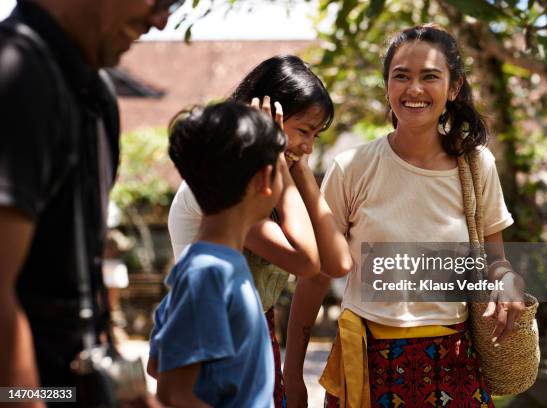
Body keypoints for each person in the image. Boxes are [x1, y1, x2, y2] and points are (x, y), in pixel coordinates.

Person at [283, 25, 526, 407]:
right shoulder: (352, 168)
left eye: (430, 76)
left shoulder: (477, 166)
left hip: (454, 366)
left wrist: (508, 281)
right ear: (387, 87)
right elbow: (315, 276)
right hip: (366, 366)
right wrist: (292, 373)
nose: (414, 89)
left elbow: (495, 262)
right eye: (401, 76)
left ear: (453, 88)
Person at [0, 0, 177, 403]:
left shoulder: (95, 97)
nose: (161, 21)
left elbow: (77, 288)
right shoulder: (17, 74)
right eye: (161, 0)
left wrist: (126, 393)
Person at [163, 55, 353, 407]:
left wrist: (298, 172)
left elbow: (337, 263)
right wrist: (278, 159)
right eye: (303, 132)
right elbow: (306, 261)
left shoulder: (274, 191)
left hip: (258, 342)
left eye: (316, 135)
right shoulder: (224, 196)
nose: (309, 147)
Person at [149, 101, 287, 407]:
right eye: (282, 168)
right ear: (264, 180)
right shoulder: (210, 272)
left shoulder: (213, 266)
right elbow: (175, 392)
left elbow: (158, 364)